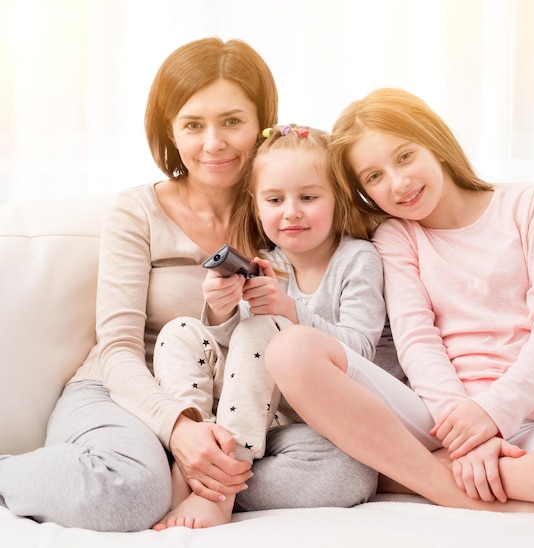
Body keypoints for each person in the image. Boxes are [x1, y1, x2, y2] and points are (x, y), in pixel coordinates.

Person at [0, 39, 376, 532]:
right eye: (194, 125)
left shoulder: (282, 205)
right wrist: (178, 428)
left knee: (349, 470)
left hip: (238, 408)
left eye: (232, 121)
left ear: (261, 123)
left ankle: (195, 486)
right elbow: (116, 349)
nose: (214, 143)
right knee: (130, 493)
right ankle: (160, 481)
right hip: (126, 392)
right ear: (170, 131)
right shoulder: (137, 211)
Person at [263, 87, 534, 523]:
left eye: (404, 157)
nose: (398, 184)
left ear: (434, 141)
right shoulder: (396, 238)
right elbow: (418, 341)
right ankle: (453, 487)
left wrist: (491, 414)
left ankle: (411, 475)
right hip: (439, 420)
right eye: (373, 178)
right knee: (291, 350)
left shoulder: (526, 204)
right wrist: (463, 428)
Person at [151, 123, 386, 529]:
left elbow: (360, 353)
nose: (291, 211)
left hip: (308, 421)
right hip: (247, 414)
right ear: (256, 205)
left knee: (347, 473)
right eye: (275, 199)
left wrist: (291, 314)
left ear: (338, 199)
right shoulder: (264, 262)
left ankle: (215, 485)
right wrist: (221, 311)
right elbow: (239, 354)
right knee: (181, 331)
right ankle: (198, 457)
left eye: (308, 197)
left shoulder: (358, 259)